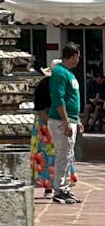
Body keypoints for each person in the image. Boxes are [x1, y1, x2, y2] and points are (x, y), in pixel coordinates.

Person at [48, 42, 83, 203]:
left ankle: (65, 188)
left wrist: (77, 120)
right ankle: (59, 189)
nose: (79, 59)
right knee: (63, 155)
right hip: (61, 121)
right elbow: (58, 98)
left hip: (71, 120)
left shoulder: (68, 74)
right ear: (73, 55)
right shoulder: (60, 73)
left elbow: (71, 99)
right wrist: (66, 121)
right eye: (78, 55)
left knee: (68, 155)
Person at [30, 68, 54, 197]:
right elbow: (40, 108)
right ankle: (49, 187)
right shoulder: (45, 86)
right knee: (47, 155)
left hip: (48, 122)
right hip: (47, 123)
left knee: (49, 155)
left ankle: (53, 186)